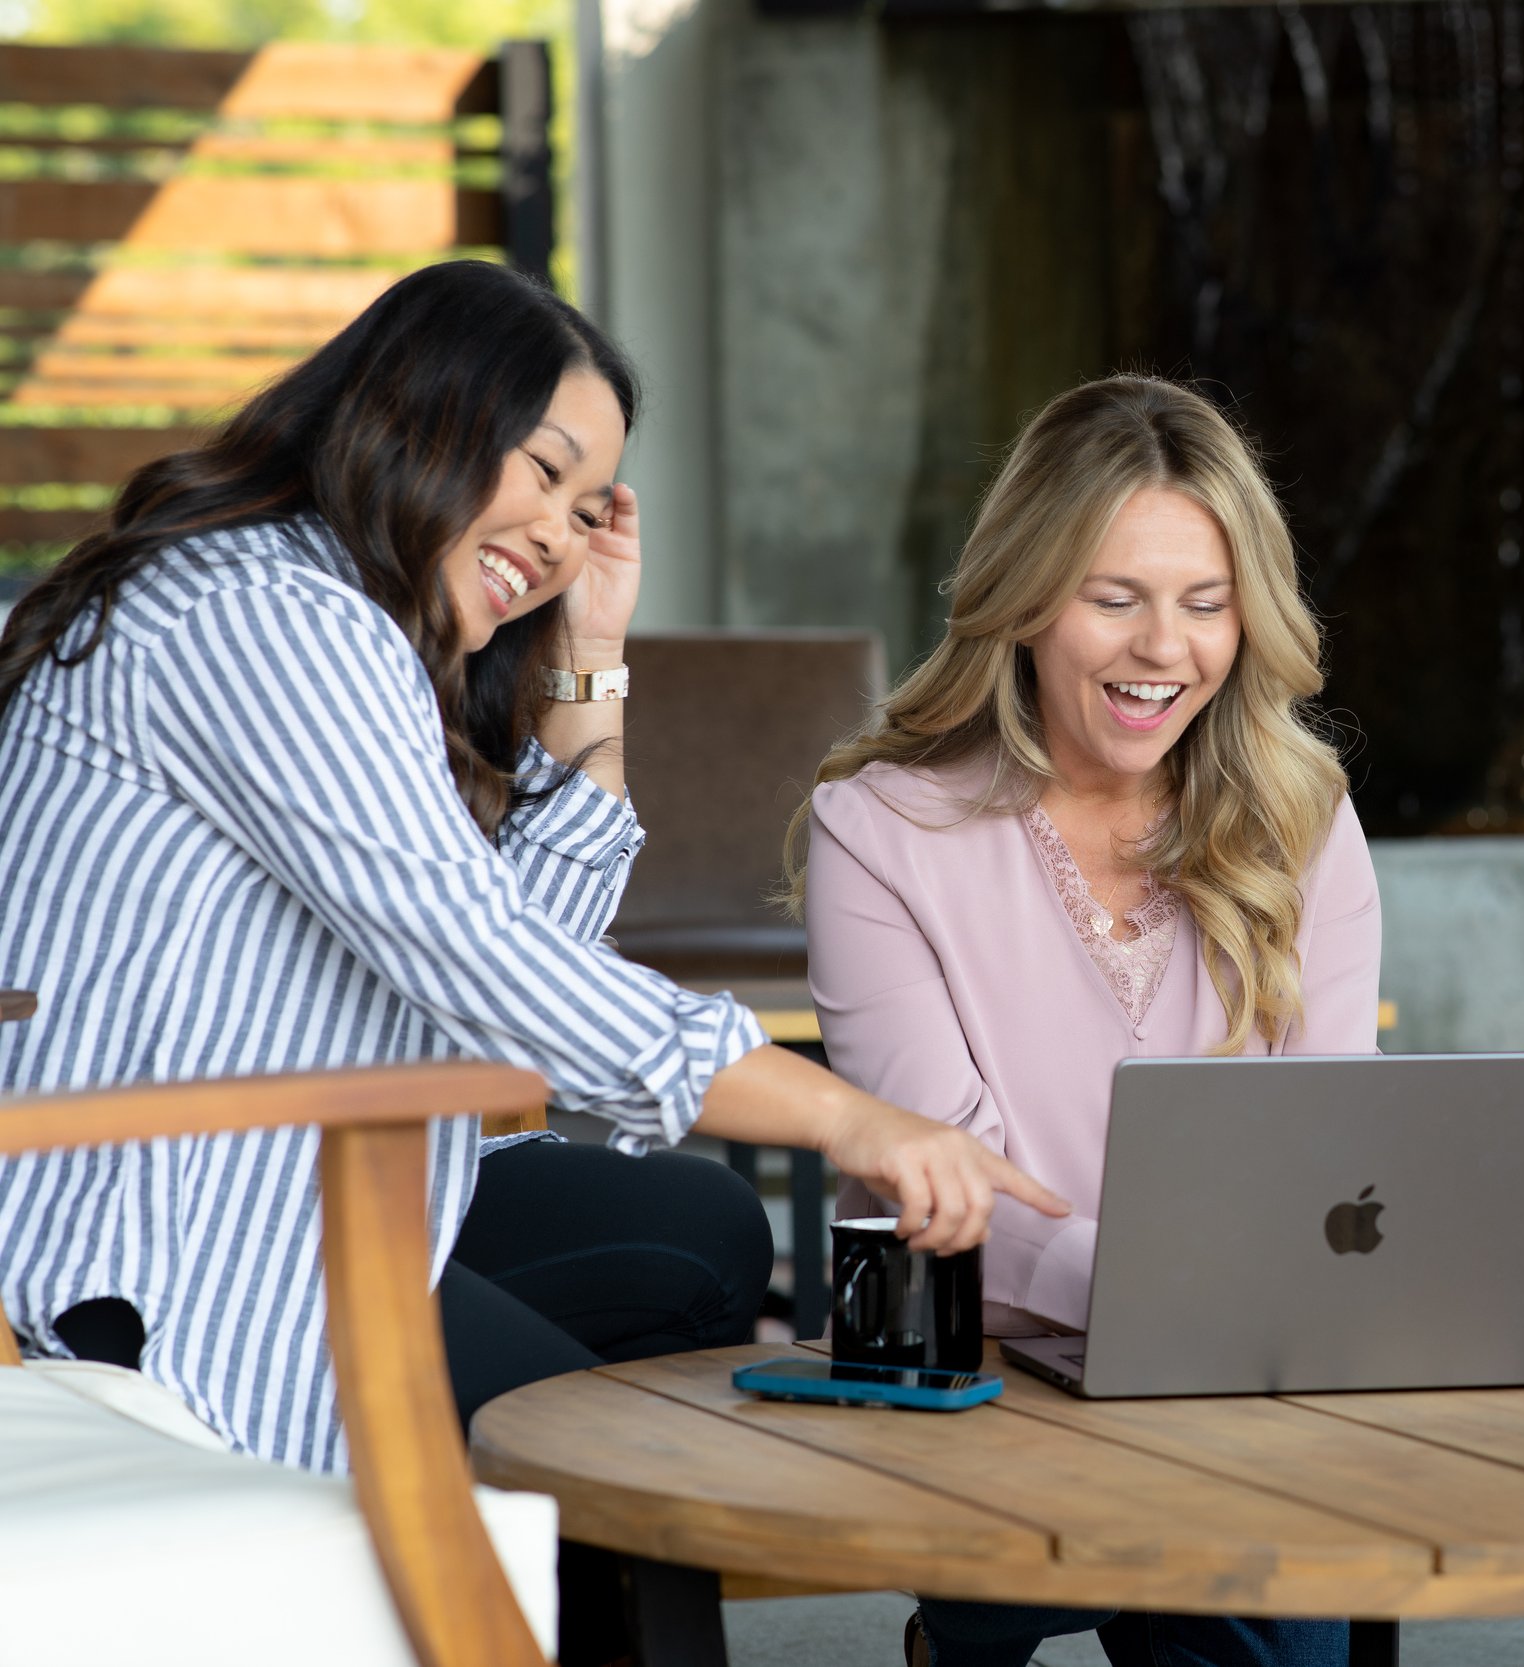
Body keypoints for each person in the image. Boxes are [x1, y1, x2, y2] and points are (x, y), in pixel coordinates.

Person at [0, 260, 1064, 1665]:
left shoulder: (341, 619)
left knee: (704, 1234)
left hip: (325, 1180)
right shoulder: (260, 619)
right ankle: (544, 1573)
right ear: (417, 416)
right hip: (167, 1244)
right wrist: (842, 1113)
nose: (560, 536)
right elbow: (486, 962)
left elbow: (512, 984)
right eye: (543, 474)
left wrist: (593, 661)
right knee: (623, 1505)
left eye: (587, 507)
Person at [796, 374, 1380, 1667]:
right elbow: (937, 1186)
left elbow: (1340, 1143)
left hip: (1238, 1373)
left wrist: (1254, 1313)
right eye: (1114, 599)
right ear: (1023, 600)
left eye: (1205, 604)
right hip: (995, 1362)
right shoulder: (883, 831)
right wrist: (1172, 1297)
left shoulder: (1305, 819)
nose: (1163, 648)